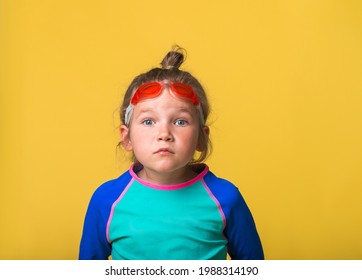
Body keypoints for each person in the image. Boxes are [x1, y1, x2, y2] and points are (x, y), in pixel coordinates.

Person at [79, 46, 264, 260]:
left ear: (201, 138)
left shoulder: (226, 198)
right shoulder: (106, 200)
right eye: (148, 121)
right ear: (127, 137)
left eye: (180, 121)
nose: (164, 133)